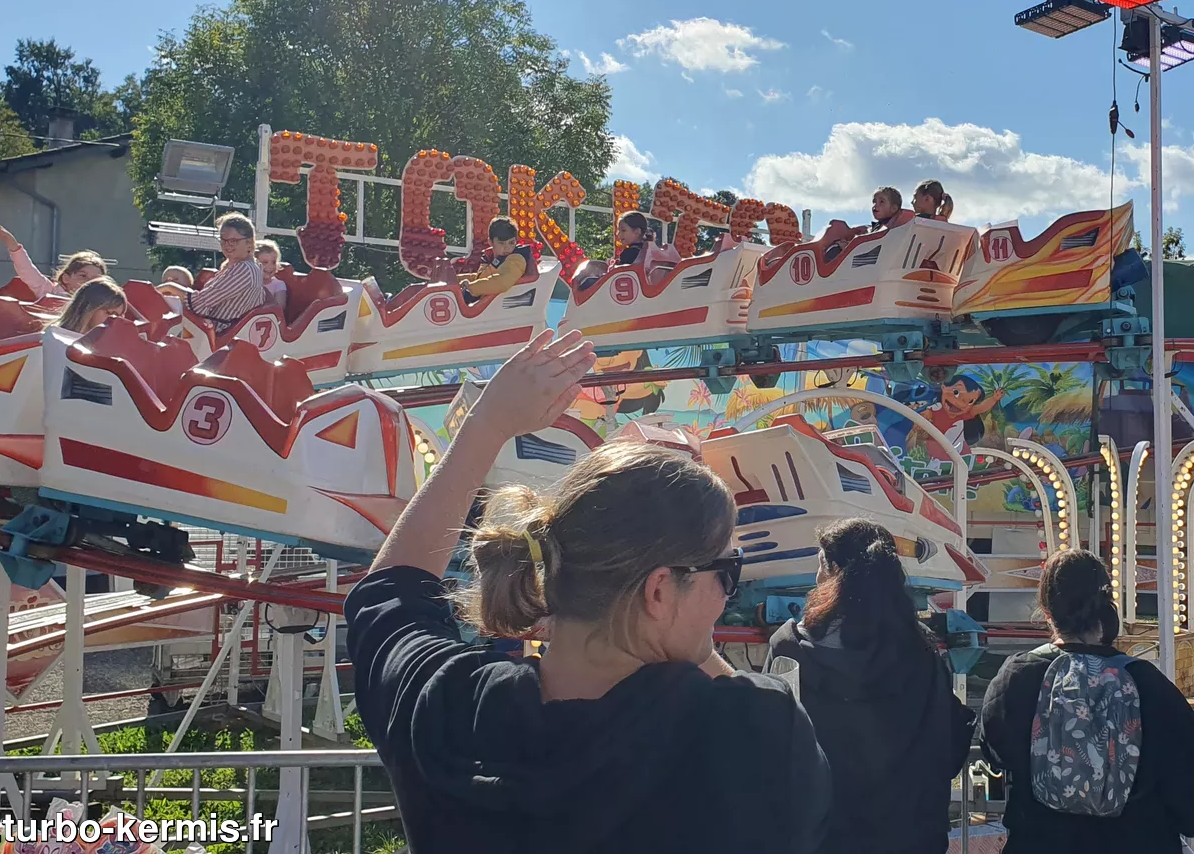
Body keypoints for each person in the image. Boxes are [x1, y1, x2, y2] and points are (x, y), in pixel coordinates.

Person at [345, 329, 831, 854]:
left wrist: (486, 427)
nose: (725, 596)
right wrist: (694, 643)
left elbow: (388, 595)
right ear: (658, 591)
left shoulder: (448, 708)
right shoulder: (755, 732)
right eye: (727, 572)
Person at [978, 551, 1194, 852]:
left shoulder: (1016, 678)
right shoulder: (1151, 686)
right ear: (1106, 604)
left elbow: (995, 754)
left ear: (1047, 609)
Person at [768, 519, 974, 854]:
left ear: (833, 572)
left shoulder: (789, 649)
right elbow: (945, 736)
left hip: (822, 838)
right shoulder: (921, 650)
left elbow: (770, 746)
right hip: (910, 834)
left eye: (821, 566)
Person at [0, 217, 107, 300]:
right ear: (66, 278)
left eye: (96, 279)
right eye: (83, 276)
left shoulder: (104, 305)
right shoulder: (50, 292)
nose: (89, 282)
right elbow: (26, 269)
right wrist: (6, 238)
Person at [175, 213, 266, 329]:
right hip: (206, 330)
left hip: (216, 333)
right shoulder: (242, 267)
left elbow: (199, 303)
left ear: (249, 242)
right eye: (223, 240)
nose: (227, 245)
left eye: (233, 240)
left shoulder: (245, 270)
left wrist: (169, 287)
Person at [458, 217, 533, 299]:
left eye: (511, 242)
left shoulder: (517, 259)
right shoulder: (489, 257)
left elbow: (502, 282)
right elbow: (481, 278)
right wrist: (455, 279)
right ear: (490, 242)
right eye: (501, 243)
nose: (507, 248)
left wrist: (471, 287)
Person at [48, 278, 127, 333]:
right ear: (87, 308)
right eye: (109, 313)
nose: (115, 320)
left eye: (119, 316)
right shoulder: (53, 337)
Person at [253, 241, 288, 313]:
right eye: (265, 262)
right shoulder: (249, 282)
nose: (270, 266)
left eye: (273, 262)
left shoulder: (278, 284)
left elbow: (280, 307)